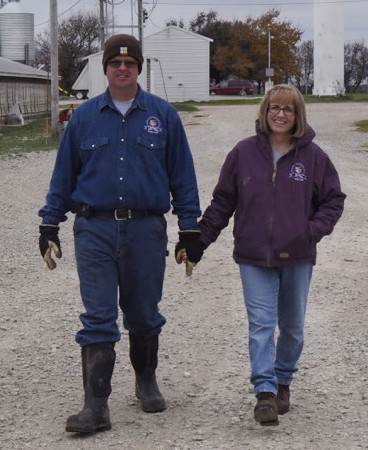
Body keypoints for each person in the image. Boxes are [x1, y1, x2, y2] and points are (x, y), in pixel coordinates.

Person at [38, 34, 204, 434]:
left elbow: (182, 176)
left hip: (146, 231)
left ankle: (146, 380)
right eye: (115, 63)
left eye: (130, 63)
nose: (123, 69)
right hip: (94, 228)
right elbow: (64, 175)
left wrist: (189, 229)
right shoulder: (83, 117)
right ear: (106, 68)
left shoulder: (163, 116)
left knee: (145, 316)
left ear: (138, 68)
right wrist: (49, 223)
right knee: (98, 317)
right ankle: (96, 407)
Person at [197, 84, 346, 426]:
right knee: (261, 324)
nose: (280, 114)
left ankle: (282, 380)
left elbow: (333, 200)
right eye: (274, 108)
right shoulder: (242, 153)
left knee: (292, 327)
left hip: (297, 255)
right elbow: (223, 202)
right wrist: (200, 239)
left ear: (298, 116)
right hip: (253, 256)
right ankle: (264, 392)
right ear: (264, 113)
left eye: (288, 110)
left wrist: (310, 231)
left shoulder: (314, 157)